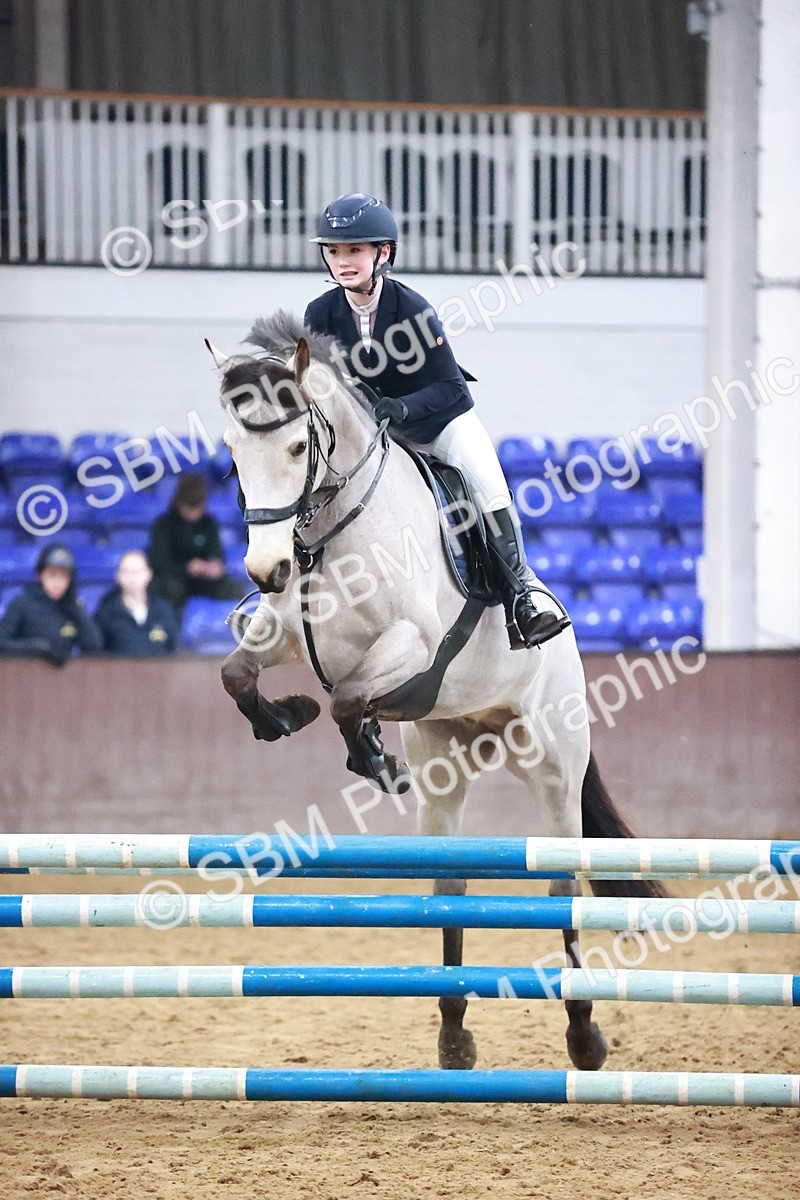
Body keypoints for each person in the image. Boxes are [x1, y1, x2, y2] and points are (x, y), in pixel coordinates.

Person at [304, 192, 571, 650]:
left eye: (354, 250)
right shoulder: (320, 314)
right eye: (334, 251)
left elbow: (454, 389)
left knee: (486, 482)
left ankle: (522, 597)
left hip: (438, 425)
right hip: (377, 440)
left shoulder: (412, 309)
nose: (342, 261)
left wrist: (401, 408)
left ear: (382, 253)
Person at [149, 473, 241, 612]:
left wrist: (214, 566)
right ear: (178, 503)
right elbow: (158, 563)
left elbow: (217, 554)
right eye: (188, 507)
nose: (193, 513)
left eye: (197, 507)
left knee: (233, 588)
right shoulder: (163, 525)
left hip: (204, 580)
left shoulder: (209, 524)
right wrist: (187, 567)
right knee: (170, 589)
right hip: (173, 578)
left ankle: (232, 629)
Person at [0, 544, 102, 666]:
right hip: (24, 676)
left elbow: (94, 647)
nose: (57, 583)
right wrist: (36, 648)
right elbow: (2, 644)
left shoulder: (73, 606)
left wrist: (77, 610)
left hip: (63, 681)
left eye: (64, 576)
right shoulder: (22, 603)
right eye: (52, 575)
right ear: (40, 575)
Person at [95, 550, 180, 655]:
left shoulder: (164, 610)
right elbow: (96, 652)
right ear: (118, 576)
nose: (132, 578)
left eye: (137, 572)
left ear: (149, 574)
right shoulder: (106, 612)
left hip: (159, 671)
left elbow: (173, 650)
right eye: (126, 572)